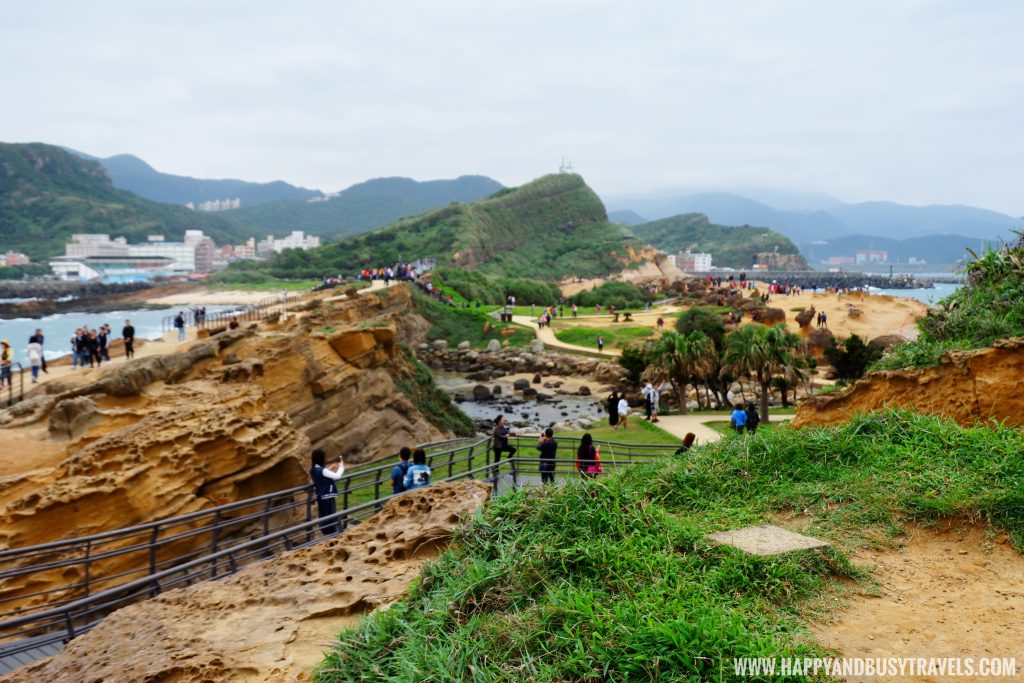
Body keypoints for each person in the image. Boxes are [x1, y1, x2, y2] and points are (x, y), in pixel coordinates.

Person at [310, 449, 345, 535]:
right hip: (328, 496)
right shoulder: (323, 470)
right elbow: (337, 476)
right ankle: (333, 534)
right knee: (331, 516)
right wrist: (342, 467)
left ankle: (326, 533)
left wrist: (329, 469)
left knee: (324, 516)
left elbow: (322, 476)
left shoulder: (313, 470)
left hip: (321, 496)